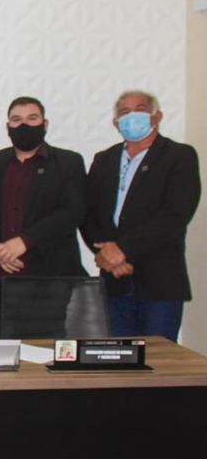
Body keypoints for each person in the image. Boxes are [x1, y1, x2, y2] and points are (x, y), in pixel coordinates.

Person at [82, 90, 201, 342]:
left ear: (157, 116)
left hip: (160, 281)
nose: (132, 116)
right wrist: (107, 255)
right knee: (121, 359)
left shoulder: (179, 156)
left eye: (140, 109)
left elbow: (175, 215)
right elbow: (87, 213)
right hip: (114, 280)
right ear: (116, 123)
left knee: (158, 359)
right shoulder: (104, 160)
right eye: (124, 112)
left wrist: (123, 250)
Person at [0, 96, 87, 335]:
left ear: (45, 124)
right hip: (1, 275)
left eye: (32, 118)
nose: (24, 125)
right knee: (6, 347)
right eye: (16, 120)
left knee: (48, 347)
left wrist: (24, 242)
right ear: (7, 127)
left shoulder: (68, 163)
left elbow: (72, 212)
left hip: (51, 275)